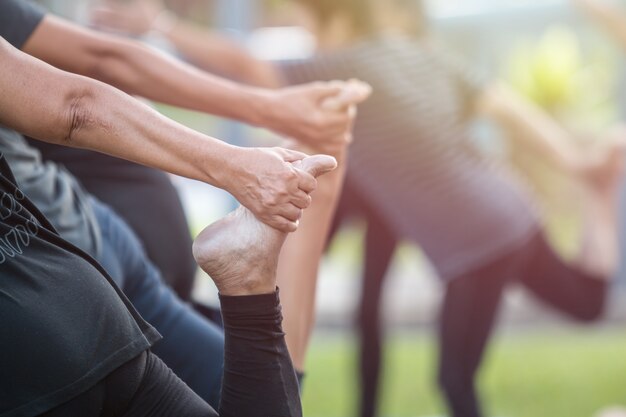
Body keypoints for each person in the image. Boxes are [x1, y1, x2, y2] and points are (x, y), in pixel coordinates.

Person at [92, 1, 625, 416]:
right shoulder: (416, 51)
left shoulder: (343, 68)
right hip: (512, 207)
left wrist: (161, 22)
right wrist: (576, 163)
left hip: (474, 243)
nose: (305, 38)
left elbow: (244, 64)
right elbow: (506, 105)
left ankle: (596, 189)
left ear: (335, 20)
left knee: (454, 381)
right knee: (586, 303)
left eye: (306, 22)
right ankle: (600, 196)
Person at [0, 30, 344, 415]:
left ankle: (257, 274)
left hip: (83, 270)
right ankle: (252, 280)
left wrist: (250, 150)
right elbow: (79, 95)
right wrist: (243, 162)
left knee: (264, 374)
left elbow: (84, 86)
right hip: (76, 284)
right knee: (268, 378)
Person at [1, 0, 365, 302]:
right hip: (79, 264)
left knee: (268, 377)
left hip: (116, 243)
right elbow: (79, 103)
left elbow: (106, 64)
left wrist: (275, 115)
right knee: (264, 373)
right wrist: (234, 165)